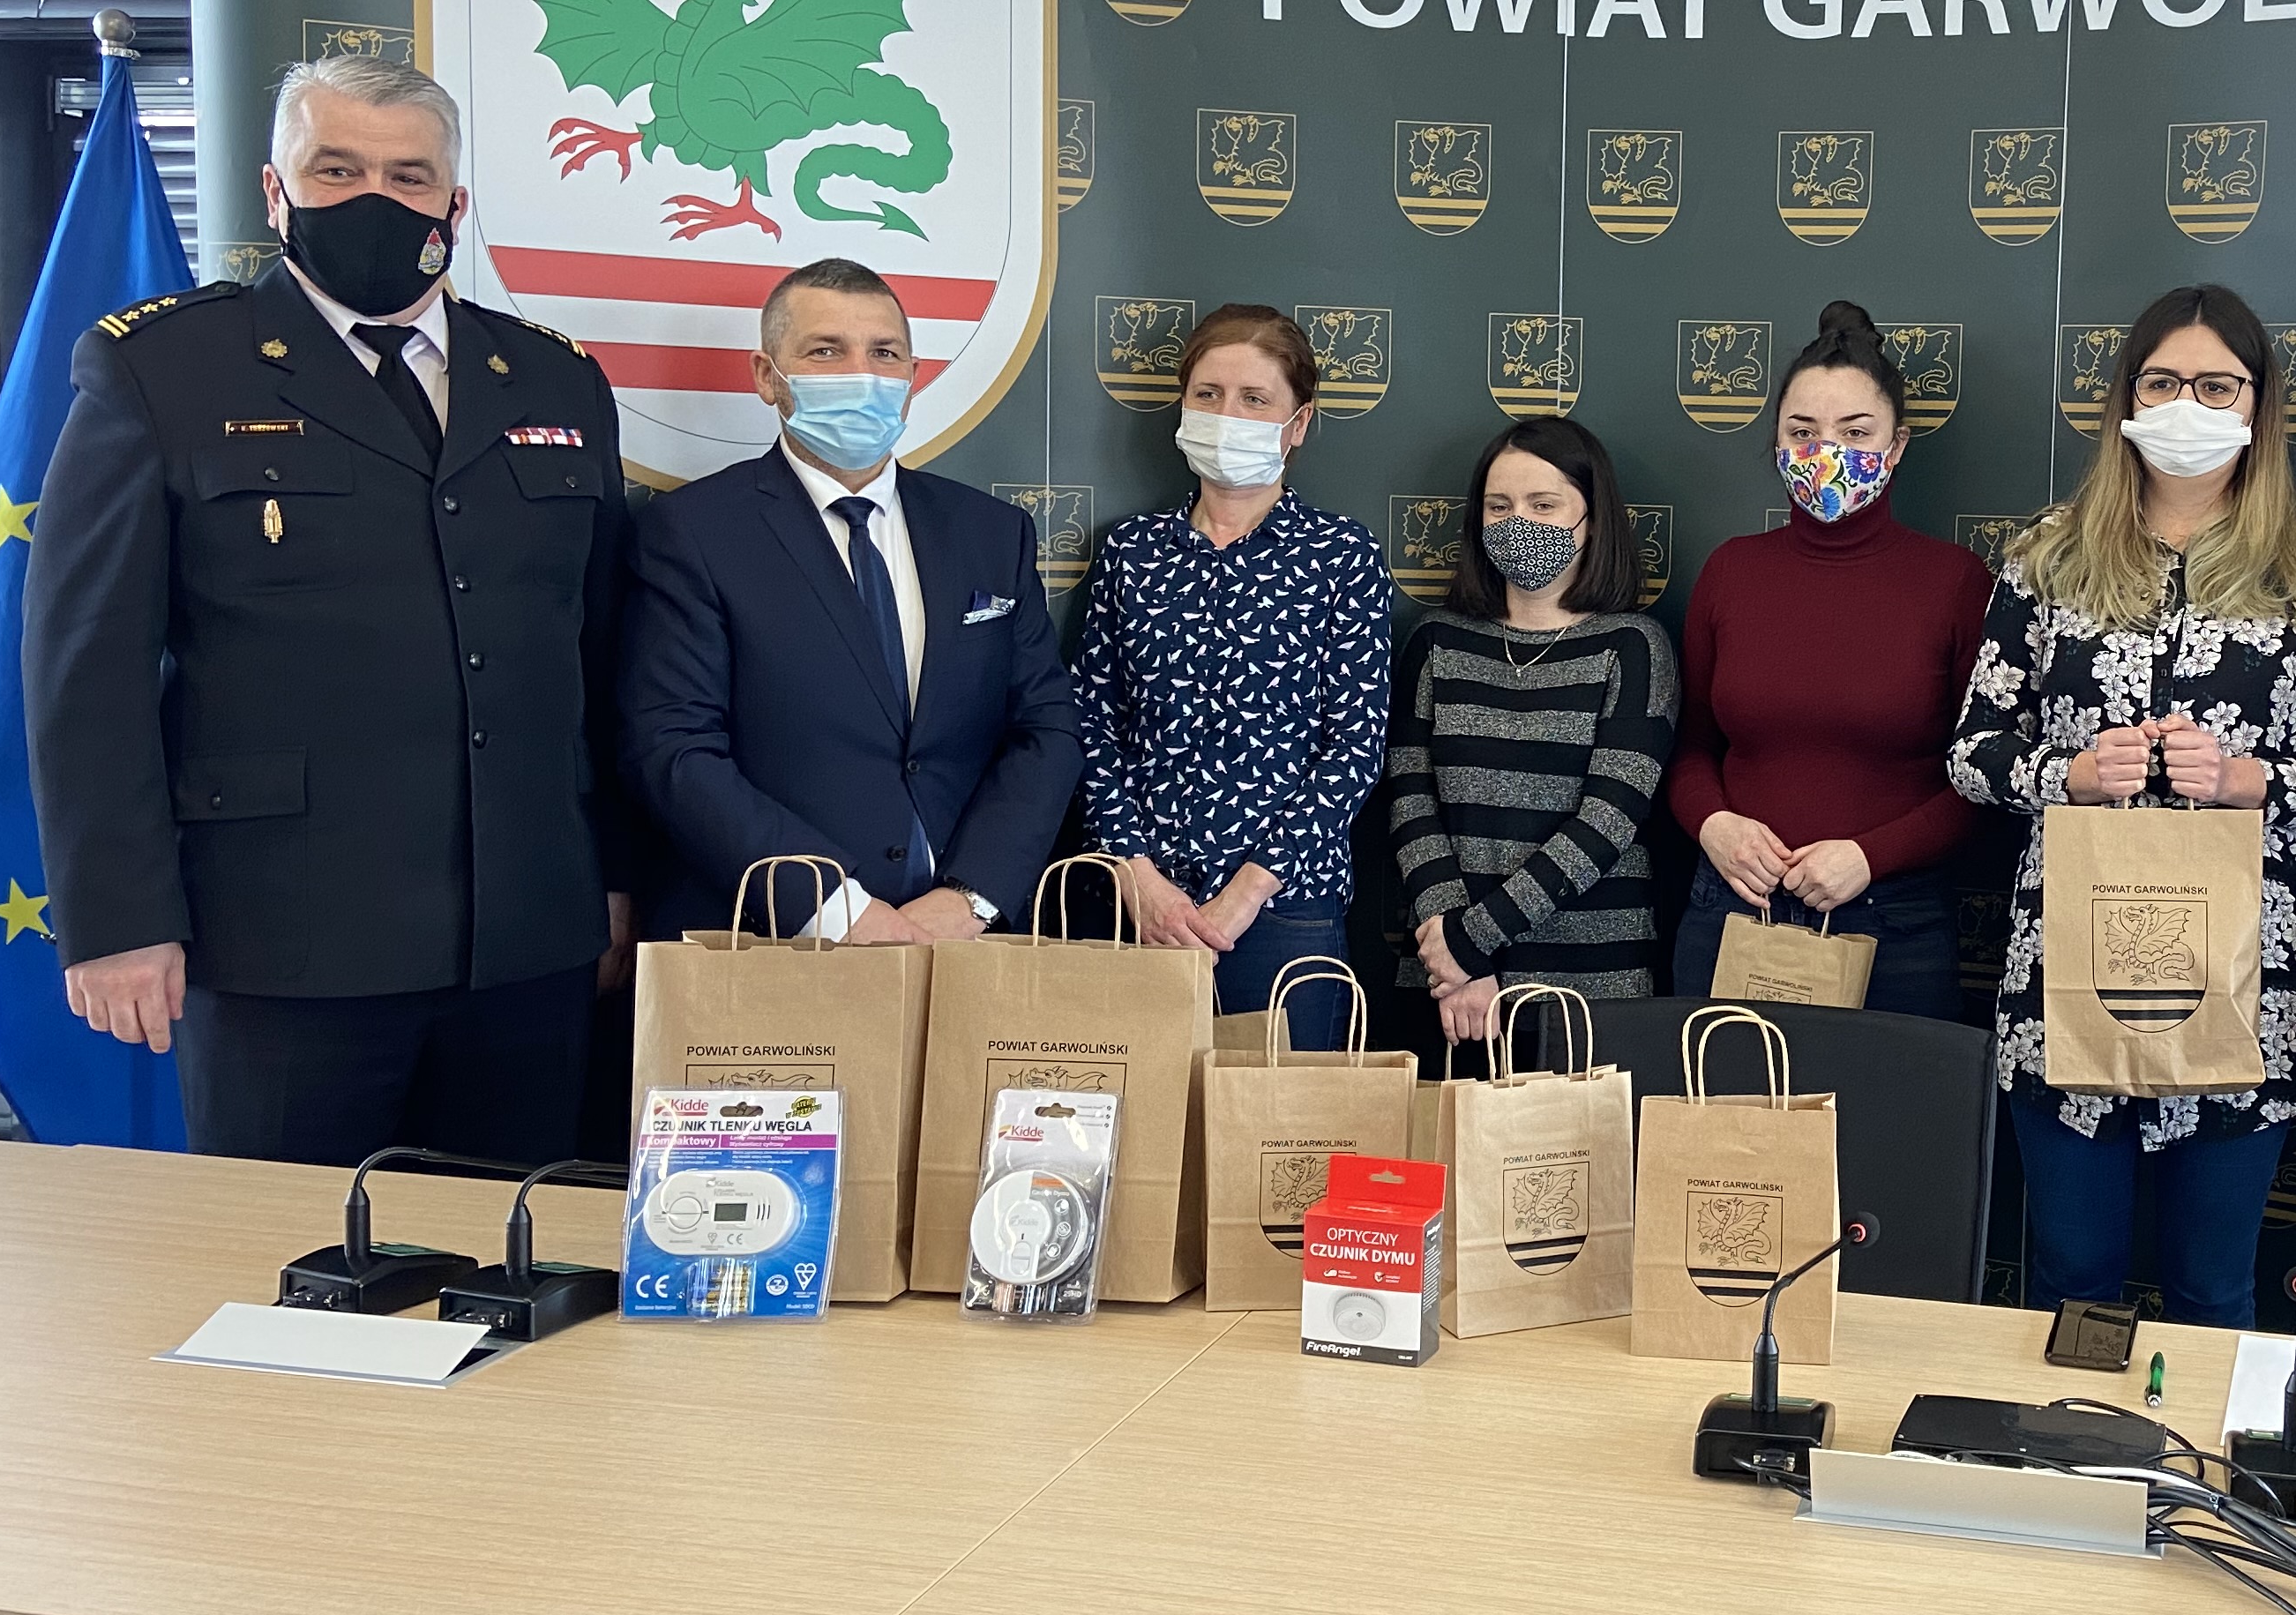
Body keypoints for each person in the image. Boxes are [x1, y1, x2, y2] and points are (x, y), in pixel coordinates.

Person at [25, 52, 633, 1615]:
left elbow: (588, 657)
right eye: (340, 166)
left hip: (520, 937)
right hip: (282, 944)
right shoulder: (167, 367)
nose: (378, 197)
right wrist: (118, 917)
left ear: (458, 199)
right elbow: (83, 663)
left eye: (409, 171)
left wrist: (602, 874)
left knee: (517, 1303)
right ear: (277, 189)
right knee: (302, 1316)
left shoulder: (549, 382)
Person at [1949, 283, 2296, 1327]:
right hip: (2067, 965)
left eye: (2216, 385)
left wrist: (2252, 782)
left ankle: (2201, 1447)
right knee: (2072, 1279)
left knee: (2212, 1286)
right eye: (2161, 382)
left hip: (2247, 973)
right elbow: (1972, 753)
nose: (2186, 404)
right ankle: (2069, 1436)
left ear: (2258, 403)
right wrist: (2069, 772)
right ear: (2125, 398)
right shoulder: (2046, 551)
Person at [621, 258, 1081, 942]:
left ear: (913, 377)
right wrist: (835, 908)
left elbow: (1046, 730)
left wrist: (972, 898)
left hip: (965, 944)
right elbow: (675, 749)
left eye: (884, 353)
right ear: (767, 376)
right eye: (826, 351)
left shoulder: (991, 533)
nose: (862, 374)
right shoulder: (693, 531)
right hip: (771, 940)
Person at [1073, 303, 1393, 1046]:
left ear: (1298, 423)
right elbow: (1090, 723)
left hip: (1284, 909)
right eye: (1209, 394)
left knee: (1285, 1119)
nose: (1228, 415)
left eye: (1255, 399)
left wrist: (1246, 894)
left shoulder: (1341, 556)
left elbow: (1354, 746)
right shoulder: (1131, 553)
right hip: (1138, 907)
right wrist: (1138, 877)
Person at [1666, 302, 1992, 1017]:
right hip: (1734, 908)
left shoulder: (1955, 582)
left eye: (1855, 432)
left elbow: (1982, 777)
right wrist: (1715, 825)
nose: (1826, 452)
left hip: (1894, 925)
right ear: (1777, 439)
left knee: (1889, 1098)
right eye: (1803, 432)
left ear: (1896, 445)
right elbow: (1690, 747)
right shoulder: (1731, 572)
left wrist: (1870, 857)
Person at [1384, 418, 1679, 1042]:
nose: (1518, 522)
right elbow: (1410, 799)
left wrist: (1473, 940)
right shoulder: (1435, 641)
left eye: (1544, 505)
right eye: (1500, 506)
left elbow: (1609, 820)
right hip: (1446, 984)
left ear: (1591, 518)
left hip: (1591, 987)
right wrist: (1455, 953)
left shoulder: (1634, 647)